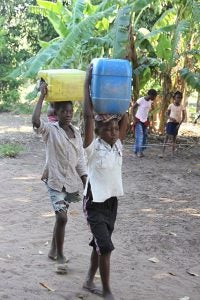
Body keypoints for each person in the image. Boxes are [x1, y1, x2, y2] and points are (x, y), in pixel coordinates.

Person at [82, 64, 128, 300]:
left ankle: (89, 281)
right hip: (94, 203)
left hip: (111, 202)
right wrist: (88, 81)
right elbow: (88, 116)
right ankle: (107, 290)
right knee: (106, 247)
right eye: (108, 129)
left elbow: (125, 114)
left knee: (100, 244)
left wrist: (126, 85)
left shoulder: (118, 145)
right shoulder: (91, 148)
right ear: (98, 131)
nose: (114, 131)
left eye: (115, 128)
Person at [32, 82, 87, 267]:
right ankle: (61, 255)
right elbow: (36, 122)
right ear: (56, 113)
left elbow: (80, 159)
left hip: (70, 182)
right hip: (54, 180)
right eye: (64, 111)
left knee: (60, 217)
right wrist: (42, 95)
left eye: (70, 111)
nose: (68, 114)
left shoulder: (76, 133)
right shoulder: (51, 130)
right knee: (62, 217)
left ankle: (53, 249)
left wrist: (85, 179)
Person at [132, 89, 157, 157]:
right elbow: (133, 108)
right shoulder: (141, 100)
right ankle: (138, 152)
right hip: (138, 120)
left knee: (145, 137)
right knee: (139, 136)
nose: (154, 98)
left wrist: (148, 120)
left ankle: (139, 150)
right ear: (150, 95)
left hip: (145, 121)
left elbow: (146, 112)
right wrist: (134, 118)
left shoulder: (150, 102)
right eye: (154, 96)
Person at [161, 91, 186, 157]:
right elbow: (166, 114)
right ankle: (162, 152)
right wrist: (171, 118)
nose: (179, 99)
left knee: (174, 138)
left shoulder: (182, 106)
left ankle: (172, 153)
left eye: (180, 98)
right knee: (166, 136)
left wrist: (179, 124)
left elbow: (183, 116)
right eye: (177, 97)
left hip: (177, 124)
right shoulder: (171, 105)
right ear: (174, 98)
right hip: (170, 123)